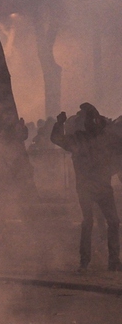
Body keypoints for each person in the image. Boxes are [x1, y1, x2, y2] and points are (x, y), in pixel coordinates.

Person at [51, 104, 120, 270]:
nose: (93, 122)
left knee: (111, 221)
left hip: (100, 187)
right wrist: (59, 124)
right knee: (90, 221)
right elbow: (56, 139)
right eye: (90, 119)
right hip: (88, 187)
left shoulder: (101, 138)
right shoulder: (80, 139)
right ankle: (87, 260)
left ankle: (111, 261)